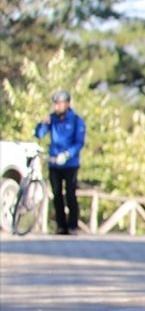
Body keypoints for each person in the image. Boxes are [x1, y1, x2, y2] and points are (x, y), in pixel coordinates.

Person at [34, 90, 87, 235]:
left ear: (67, 104)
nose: (56, 107)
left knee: (70, 194)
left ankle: (73, 226)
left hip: (70, 164)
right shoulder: (52, 119)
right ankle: (61, 226)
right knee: (56, 195)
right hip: (54, 163)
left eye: (59, 104)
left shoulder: (76, 120)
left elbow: (79, 142)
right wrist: (42, 124)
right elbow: (39, 134)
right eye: (55, 104)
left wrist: (67, 154)